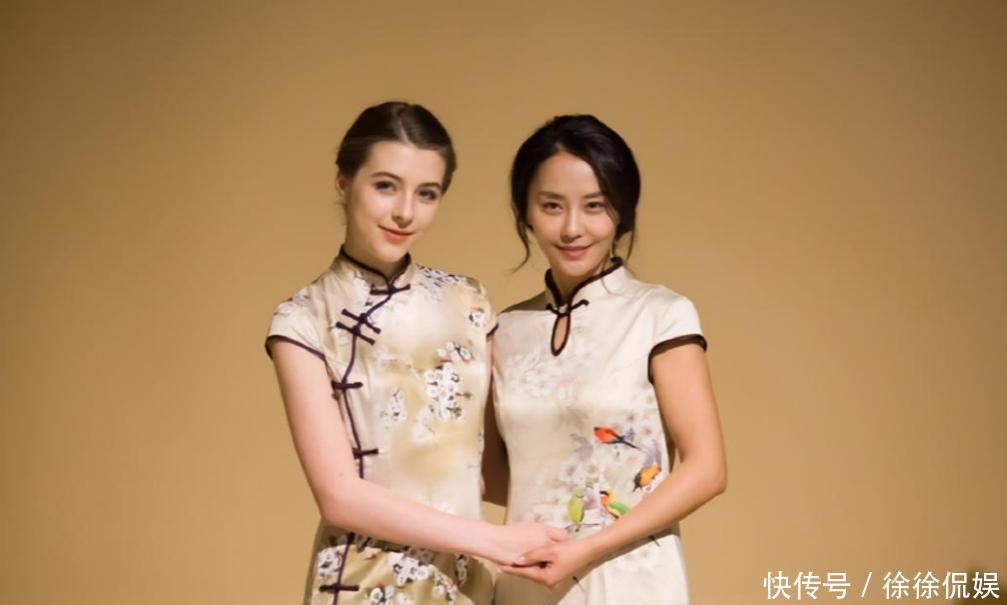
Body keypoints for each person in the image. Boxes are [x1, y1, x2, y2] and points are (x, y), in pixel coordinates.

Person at [265, 101, 564, 605]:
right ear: (344, 182)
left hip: (466, 583)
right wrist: (492, 540)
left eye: (427, 193)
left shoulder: (469, 302)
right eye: (386, 186)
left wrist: (606, 497)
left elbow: (492, 467)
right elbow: (339, 497)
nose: (405, 212)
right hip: (366, 584)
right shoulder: (303, 320)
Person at [484, 114, 727, 604]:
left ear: (622, 211)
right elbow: (490, 472)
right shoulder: (504, 330)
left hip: (629, 580)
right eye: (551, 206)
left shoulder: (661, 315)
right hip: (530, 581)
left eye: (594, 206)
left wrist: (588, 543)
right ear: (526, 212)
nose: (572, 228)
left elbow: (707, 468)